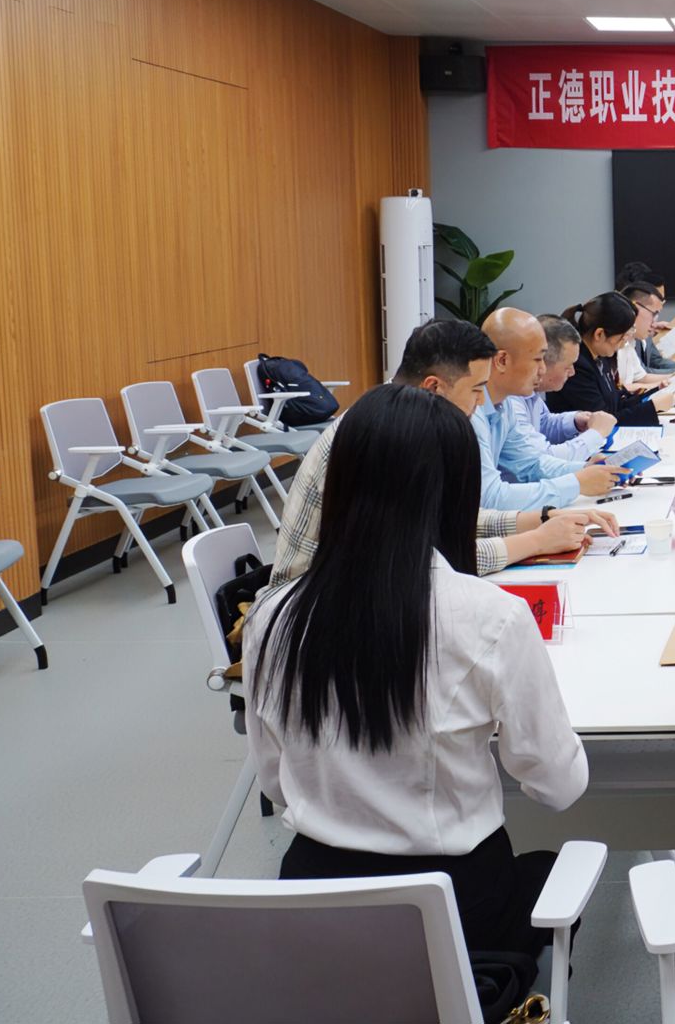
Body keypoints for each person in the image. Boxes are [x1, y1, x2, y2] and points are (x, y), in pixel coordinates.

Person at [246, 384, 589, 958]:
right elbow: (559, 785)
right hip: (450, 907)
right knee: (545, 874)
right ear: (456, 493)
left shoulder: (273, 614)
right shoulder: (491, 616)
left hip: (312, 904)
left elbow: (275, 782)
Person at [268, 320, 617, 589]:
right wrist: (537, 540)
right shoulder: (389, 435)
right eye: (476, 389)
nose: (480, 403)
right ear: (434, 387)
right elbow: (436, 559)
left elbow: (447, 521)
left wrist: (542, 518)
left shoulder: (402, 416)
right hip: (312, 609)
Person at [474, 308, 621, 511]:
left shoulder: (504, 403)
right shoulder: (472, 411)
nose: (543, 369)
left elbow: (531, 464)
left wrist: (586, 470)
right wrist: (577, 483)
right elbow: (489, 498)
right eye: (538, 359)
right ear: (502, 361)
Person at [548, 292, 675, 426]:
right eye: (622, 337)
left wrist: (655, 393)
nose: (624, 343)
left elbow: (617, 403)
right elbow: (603, 420)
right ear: (600, 334)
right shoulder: (578, 365)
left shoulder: (600, 357)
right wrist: (652, 407)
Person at [503, 315, 617, 463]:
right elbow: (542, 461)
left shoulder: (530, 392)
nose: (572, 372)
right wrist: (595, 434)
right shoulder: (510, 400)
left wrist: (574, 421)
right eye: (568, 366)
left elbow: (543, 423)